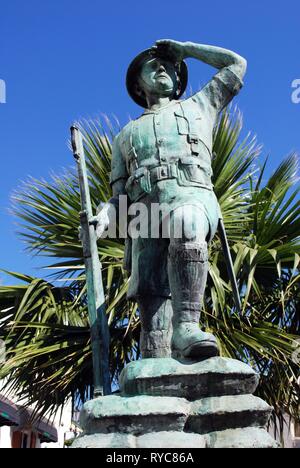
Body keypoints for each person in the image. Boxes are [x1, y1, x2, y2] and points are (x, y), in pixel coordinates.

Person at [93, 39, 247, 360]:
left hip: (190, 194)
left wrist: (187, 49)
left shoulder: (200, 106)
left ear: (178, 81)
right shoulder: (125, 135)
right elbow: (118, 198)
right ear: (138, 83)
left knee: (186, 222)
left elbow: (236, 65)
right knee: (152, 319)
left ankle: (187, 325)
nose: (163, 68)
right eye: (153, 66)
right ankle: (154, 364)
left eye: (170, 66)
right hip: (144, 216)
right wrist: (103, 218)